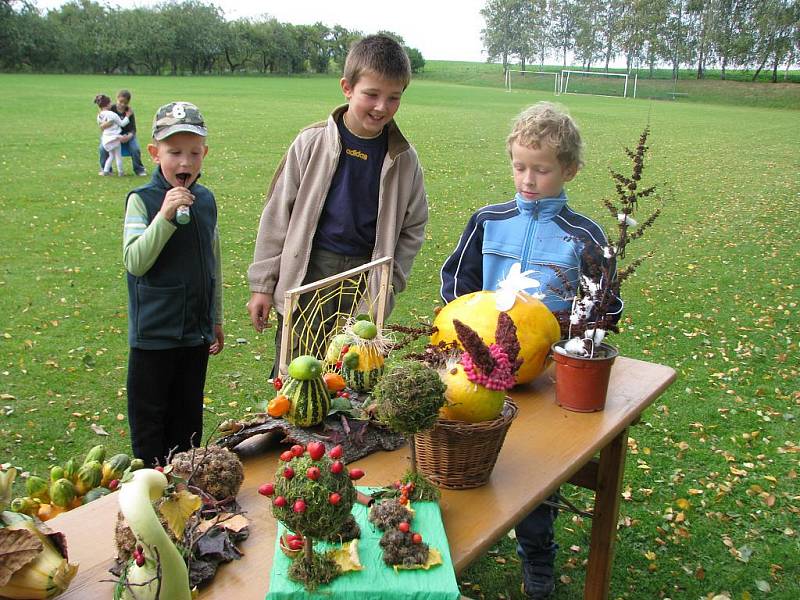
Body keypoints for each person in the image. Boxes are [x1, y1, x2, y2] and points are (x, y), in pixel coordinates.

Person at [439, 102, 622, 599]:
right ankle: (451, 544)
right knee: (461, 456)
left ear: (569, 170)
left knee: (537, 472)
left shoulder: (585, 236)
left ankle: (536, 558)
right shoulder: (487, 220)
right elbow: (458, 282)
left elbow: (604, 307)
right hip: (480, 374)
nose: (527, 179)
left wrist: (566, 336)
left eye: (541, 170)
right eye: (519, 166)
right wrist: (466, 327)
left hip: (545, 378)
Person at [247, 34, 428, 376]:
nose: (381, 107)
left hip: (366, 277)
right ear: (347, 87)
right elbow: (277, 215)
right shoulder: (310, 143)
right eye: (371, 95)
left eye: (393, 98)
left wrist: (390, 281)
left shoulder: (404, 159)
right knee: (297, 375)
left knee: (352, 375)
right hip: (309, 272)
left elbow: (413, 226)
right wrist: (262, 284)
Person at [122, 101, 225, 467]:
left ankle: (187, 496)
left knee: (188, 428)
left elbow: (213, 264)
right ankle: (149, 497)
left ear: (204, 154)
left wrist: (216, 318)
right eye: (174, 152)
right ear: (154, 153)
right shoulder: (142, 201)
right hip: (154, 336)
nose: (185, 163)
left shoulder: (206, 200)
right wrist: (164, 216)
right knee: (151, 430)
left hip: (194, 336)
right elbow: (135, 261)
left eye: (194, 153)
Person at [99, 89, 147, 177]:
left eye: (125, 103)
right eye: (120, 102)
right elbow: (102, 124)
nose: (122, 105)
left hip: (126, 136)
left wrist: (128, 136)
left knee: (135, 149)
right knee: (103, 148)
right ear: (117, 99)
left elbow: (133, 129)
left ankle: (139, 169)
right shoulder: (110, 110)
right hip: (112, 136)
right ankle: (105, 169)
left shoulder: (129, 112)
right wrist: (107, 124)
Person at [94, 94, 130, 176]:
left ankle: (106, 170)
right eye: (110, 103)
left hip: (106, 139)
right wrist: (128, 116)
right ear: (107, 104)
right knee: (118, 156)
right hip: (115, 138)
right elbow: (122, 123)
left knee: (111, 155)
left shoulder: (99, 116)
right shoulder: (112, 114)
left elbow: (102, 126)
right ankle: (121, 172)